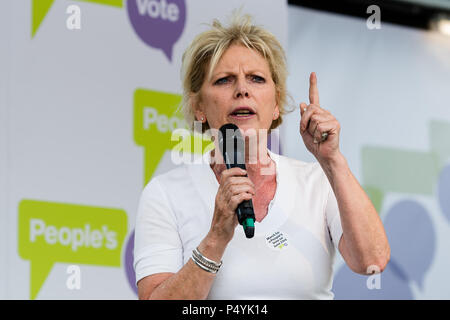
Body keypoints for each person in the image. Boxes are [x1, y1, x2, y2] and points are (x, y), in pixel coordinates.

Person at [133, 13, 390, 300]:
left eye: (256, 79)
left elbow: (373, 261)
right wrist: (216, 237)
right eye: (224, 80)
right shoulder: (166, 194)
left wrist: (332, 161)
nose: (242, 90)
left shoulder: (316, 182)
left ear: (277, 104)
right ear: (198, 107)